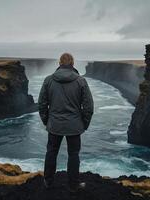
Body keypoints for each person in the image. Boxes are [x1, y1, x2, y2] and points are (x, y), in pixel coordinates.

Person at [38, 53, 94, 192]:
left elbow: (42, 104)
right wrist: (84, 124)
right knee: (73, 154)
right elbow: (88, 107)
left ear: (60, 63)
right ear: (72, 64)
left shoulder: (48, 80)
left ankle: (48, 181)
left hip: (54, 125)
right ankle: (73, 185)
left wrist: (47, 121)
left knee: (51, 152)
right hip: (74, 125)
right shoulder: (81, 81)